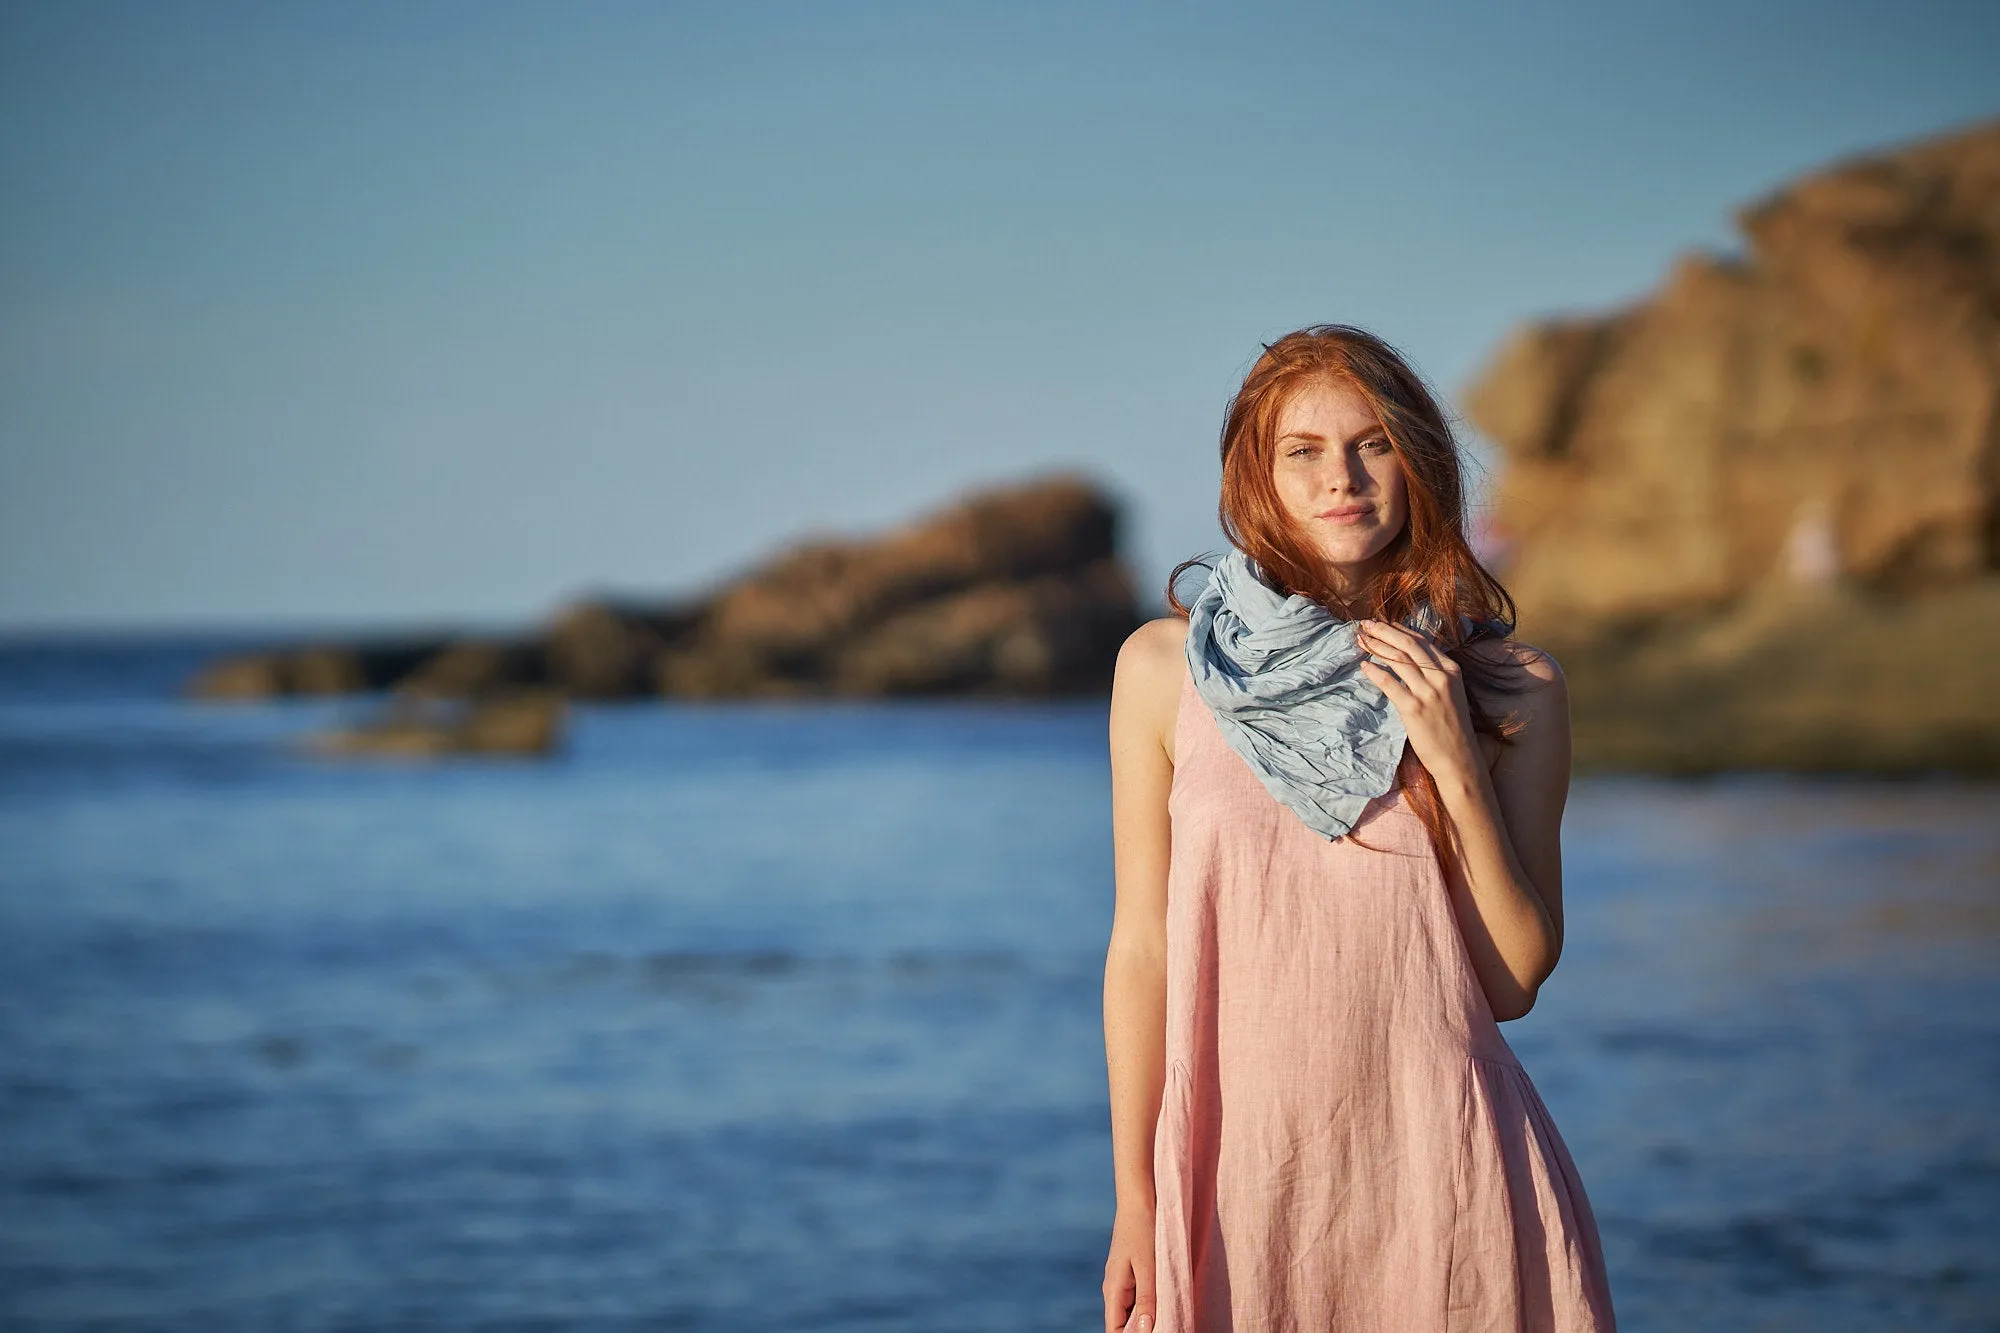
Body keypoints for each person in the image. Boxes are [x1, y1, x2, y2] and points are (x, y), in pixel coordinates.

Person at [1101, 325, 1617, 1332]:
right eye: (1301, 449)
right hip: (1238, 1175)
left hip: (1444, 1169)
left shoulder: (1512, 691)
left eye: (1370, 442)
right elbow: (1141, 951)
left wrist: (1454, 762)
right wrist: (1134, 1193)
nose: (1339, 476)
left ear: (1414, 458)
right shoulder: (1164, 670)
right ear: (1257, 471)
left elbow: (1510, 984)